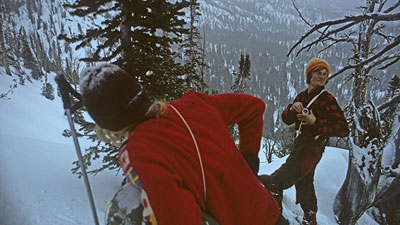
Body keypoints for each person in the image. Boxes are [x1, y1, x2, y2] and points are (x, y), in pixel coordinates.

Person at [79, 63, 280, 225]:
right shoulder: (194, 103)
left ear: (107, 124)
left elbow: (178, 218)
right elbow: (254, 108)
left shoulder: (139, 150)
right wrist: (248, 160)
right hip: (269, 212)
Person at [259, 57, 350, 225]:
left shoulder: (327, 99)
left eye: (325, 74)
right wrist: (292, 109)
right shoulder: (302, 96)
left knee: (274, 183)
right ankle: (310, 219)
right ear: (309, 75)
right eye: (318, 73)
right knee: (305, 183)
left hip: (312, 148)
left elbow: (343, 129)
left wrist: (316, 122)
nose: (322, 77)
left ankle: (275, 219)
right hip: (301, 145)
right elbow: (286, 119)